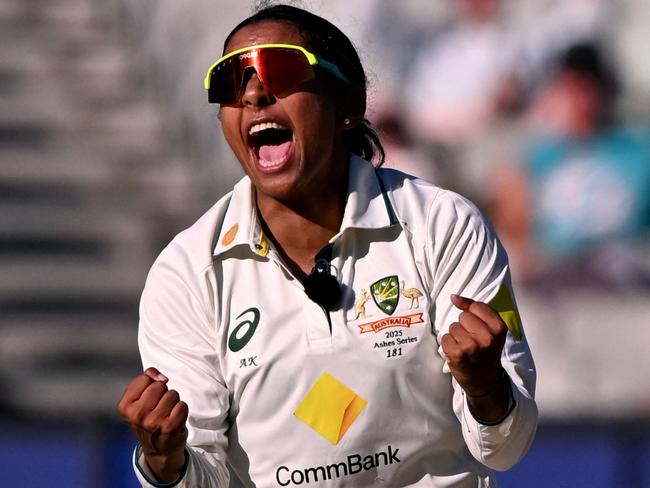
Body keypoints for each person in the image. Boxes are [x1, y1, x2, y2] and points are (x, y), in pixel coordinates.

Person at [117, 4, 537, 487]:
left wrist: (486, 388)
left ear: (348, 106)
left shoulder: (444, 224)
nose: (254, 92)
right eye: (231, 81)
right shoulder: (187, 270)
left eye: (281, 69)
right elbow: (201, 475)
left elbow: (508, 448)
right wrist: (165, 461)